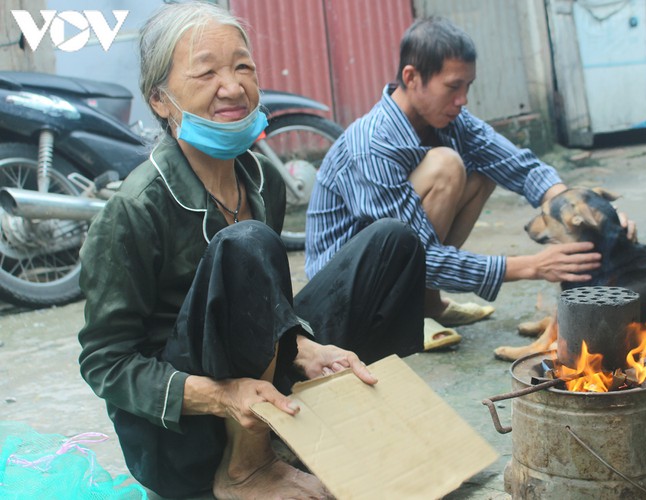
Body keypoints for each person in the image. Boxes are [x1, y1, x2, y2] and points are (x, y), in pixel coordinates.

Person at [77, 3, 425, 498]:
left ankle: (330, 425)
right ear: (159, 99)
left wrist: (303, 347)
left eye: (243, 66)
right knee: (247, 243)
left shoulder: (262, 182)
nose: (234, 86)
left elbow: (258, 305)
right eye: (207, 71)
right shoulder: (135, 209)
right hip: (187, 441)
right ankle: (246, 467)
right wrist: (223, 396)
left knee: (393, 244)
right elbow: (104, 362)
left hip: (259, 394)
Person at [305, 17, 634, 335]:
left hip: (391, 267)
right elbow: (421, 255)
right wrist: (530, 266)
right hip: (345, 294)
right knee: (446, 165)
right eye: (453, 87)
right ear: (412, 77)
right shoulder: (372, 144)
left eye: (467, 86)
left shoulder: (453, 120)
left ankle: (426, 304)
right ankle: (407, 311)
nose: (462, 100)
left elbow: (522, 167)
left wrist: (592, 213)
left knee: (483, 173)